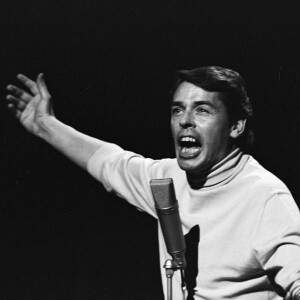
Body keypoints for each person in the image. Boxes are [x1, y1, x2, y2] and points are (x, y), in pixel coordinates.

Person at [6, 66, 300, 299]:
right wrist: (45, 125)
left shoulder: (265, 197)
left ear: (235, 126)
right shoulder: (167, 180)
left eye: (202, 109)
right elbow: (109, 162)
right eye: (177, 109)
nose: (185, 120)